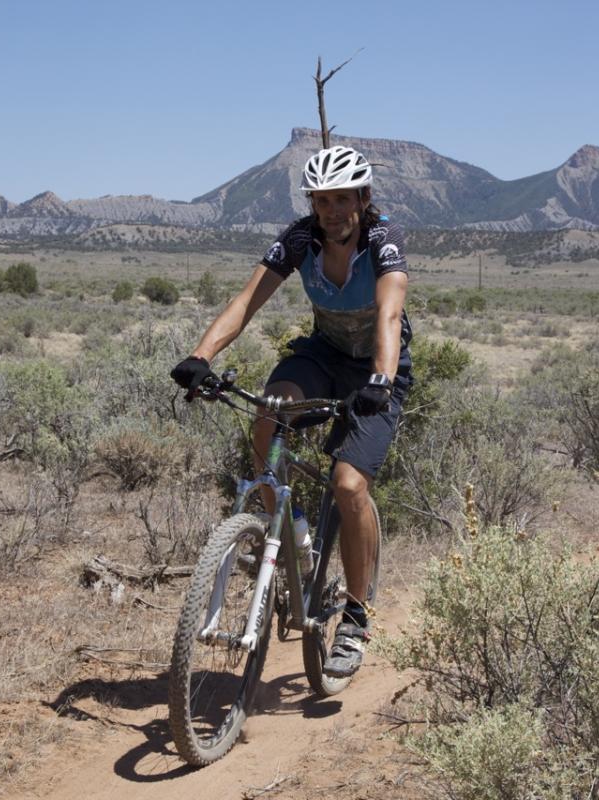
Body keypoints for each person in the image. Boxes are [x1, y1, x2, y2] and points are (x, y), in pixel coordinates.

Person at [170, 144, 412, 678]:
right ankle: (279, 519)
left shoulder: (383, 239)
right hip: (323, 353)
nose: (331, 211)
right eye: (321, 200)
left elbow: (390, 314)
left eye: (342, 199)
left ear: (364, 198)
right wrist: (200, 356)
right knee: (270, 406)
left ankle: (356, 614)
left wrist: (381, 380)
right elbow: (245, 302)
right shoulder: (301, 238)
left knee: (349, 486)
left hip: (375, 365)